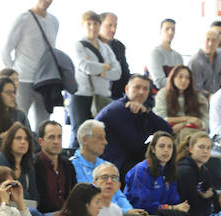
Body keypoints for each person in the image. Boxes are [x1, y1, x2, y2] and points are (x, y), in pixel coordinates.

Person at [96, 74, 172, 175]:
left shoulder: (142, 110)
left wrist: (147, 113)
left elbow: (167, 131)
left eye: (145, 89)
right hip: (111, 163)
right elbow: (135, 144)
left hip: (128, 159)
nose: (141, 92)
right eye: (137, 87)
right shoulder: (118, 109)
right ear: (127, 89)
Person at [124, 131, 189, 216]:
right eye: (161, 146)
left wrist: (179, 207)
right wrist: (172, 208)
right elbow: (143, 203)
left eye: (170, 147)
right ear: (153, 149)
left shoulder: (170, 170)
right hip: (140, 211)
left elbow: (174, 199)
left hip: (161, 210)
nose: (166, 150)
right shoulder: (141, 170)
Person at [2, 0, 57, 128]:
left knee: (44, 125)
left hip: (45, 81)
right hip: (23, 79)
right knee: (18, 122)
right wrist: (13, 75)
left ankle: (40, 148)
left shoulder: (54, 21)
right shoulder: (23, 19)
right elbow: (6, 50)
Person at [69, 10, 120, 149]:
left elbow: (117, 73)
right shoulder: (78, 45)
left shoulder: (105, 48)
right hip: (81, 96)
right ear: (82, 25)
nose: (92, 27)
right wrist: (105, 66)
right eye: (89, 24)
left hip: (102, 97)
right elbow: (84, 66)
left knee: (100, 137)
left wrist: (99, 71)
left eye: (96, 24)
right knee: (79, 136)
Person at [0, 122, 40, 208]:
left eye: (26, 139)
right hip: (0, 209)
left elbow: (35, 196)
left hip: (25, 208)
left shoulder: (28, 166)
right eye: (18, 138)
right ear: (9, 141)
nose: (23, 142)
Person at [176, 131, 216, 216]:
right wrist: (205, 196)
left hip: (200, 215)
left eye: (208, 148)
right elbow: (190, 203)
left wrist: (209, 196)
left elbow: (211, 194)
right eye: (201, 147)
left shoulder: (205, 170)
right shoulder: (184, 171)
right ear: (191, 149)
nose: (205, 151)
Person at [35, 120, 77, 216]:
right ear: (41, 141)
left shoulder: (68, 165)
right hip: (44, 215)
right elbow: (39, 202)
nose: (56, 142)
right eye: (51, 137)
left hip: (68, 215)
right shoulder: (34, 165)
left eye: (59, 137)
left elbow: (74, 194)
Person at [0, 76, 32, 150]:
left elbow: (33, 141)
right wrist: (4, 136)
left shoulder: (20, 115)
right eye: (8, 92)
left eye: (14, 92)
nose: (13, 96)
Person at [153, 65, 208, 135]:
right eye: (180, 77)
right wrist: (187, 119)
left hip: (193, 132)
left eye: (188, 78)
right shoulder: (163, 93)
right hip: (169, 131)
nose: (184, 80)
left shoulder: (198, 96)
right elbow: (160, 118)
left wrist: (186, 124)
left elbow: (205, 120)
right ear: (173, 78)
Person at [188, 28, 221, 97]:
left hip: (216, 96)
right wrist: (210, 97)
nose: (210, 44)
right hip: (199, 99)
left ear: (218, 43)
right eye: (207, 40)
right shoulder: (195, 61)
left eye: (214, 40)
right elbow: (196, 88)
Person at [98, 12, 129, 101]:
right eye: (110, 25)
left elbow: (125, 74)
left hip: (115, 94)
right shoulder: (89, 45)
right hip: (94, 94)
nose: (113, 29)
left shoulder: (118, 46)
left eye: (115, 25)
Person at [149, 18, 182, 90]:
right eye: (167, 29)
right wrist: (180, 81)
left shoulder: (178, 56)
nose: (170, 32)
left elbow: (183, 79)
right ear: (160, 31)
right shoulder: (155, 53)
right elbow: (159, 82)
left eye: (173, 29)